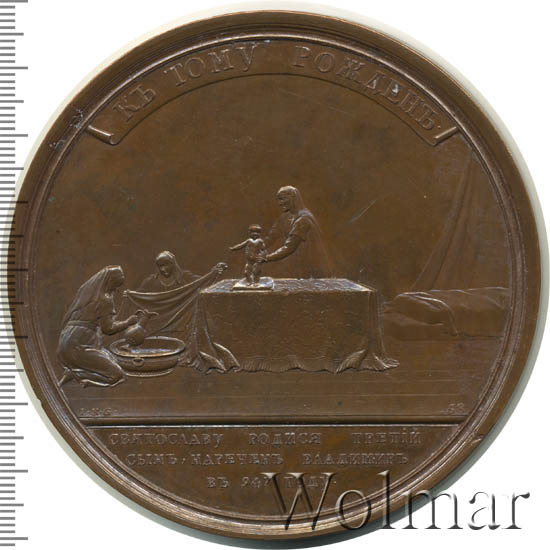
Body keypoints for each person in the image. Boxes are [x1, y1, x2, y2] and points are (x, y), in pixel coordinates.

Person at [57, 266, 138, 387]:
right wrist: (128, 322)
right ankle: (80, 376)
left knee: (113, 360)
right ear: (109, 282)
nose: (116, 290)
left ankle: (73, 372)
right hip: (79, 347)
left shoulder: (86, 295)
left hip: (64, 343)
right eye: (115, 286)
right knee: (118, 374)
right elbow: (108, 329)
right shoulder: (105, 300)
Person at [265, 186, 331, 278]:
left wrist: (266, 258)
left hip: (313, 272)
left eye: (282, 199)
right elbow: (272, 236)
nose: (280, 203)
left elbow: (289, 247)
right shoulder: (286, 217)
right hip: (301, 268)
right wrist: (255, 245)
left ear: (293, 197)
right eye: (279, 199)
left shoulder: (303, 220)